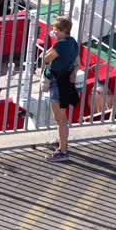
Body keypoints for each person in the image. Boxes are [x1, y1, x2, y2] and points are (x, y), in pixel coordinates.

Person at [42, 15, 81, 161]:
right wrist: (74, 73)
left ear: (61, 30)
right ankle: (61, 142)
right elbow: (78, 62)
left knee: (60, 118)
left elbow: (46, 58)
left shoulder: (61, 44)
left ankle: (63, 151)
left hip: (57, 82)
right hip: (65, 81)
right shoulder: (72, 42)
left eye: (55, 29)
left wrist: (54, 43)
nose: (53, 31)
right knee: (60, 117)